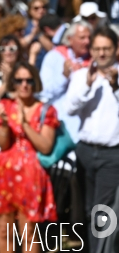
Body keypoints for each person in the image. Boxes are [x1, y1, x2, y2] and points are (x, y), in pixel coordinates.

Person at [0, 62, 59, 253]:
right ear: (13, 83)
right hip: (4, 171)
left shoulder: (46, 110)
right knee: (4, 231)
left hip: (31, 174)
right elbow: (3, 144)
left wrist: (24, 123)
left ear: (35, 82)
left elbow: (45, 147)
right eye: (19, 80)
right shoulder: (5, 106)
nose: (24, 85)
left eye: (29, 80)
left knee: (28, 232)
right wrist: (4, 124)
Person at [65, 27, 119, 252]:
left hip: (111, 154)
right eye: (97, 48)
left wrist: (115, 86)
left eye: (106, 48)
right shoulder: (80, 76)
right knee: (88, 209)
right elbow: (69, 109)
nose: (102, 53)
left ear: (115, 50)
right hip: (86, 150)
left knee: (102, 211)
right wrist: (87, 84)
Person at [40, 20, 92, 141]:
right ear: (70, 39)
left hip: (85, 126)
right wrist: (64, 76)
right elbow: (44, 91)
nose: (87, 42)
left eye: (89, 37)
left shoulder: (95, 61)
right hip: (58, 122)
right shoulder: (54, 56)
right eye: (82, 38)